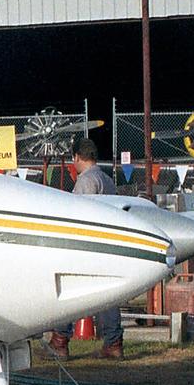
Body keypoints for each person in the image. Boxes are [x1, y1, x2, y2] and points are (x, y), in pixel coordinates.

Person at [41, 138, 123, 360]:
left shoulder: (85, 181)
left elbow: (77, 215)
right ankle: (114, 343)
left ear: (77, 157)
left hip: (87, 246)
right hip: (108, 244)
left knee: (69, 292)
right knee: (109, 296)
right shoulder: (107, 180)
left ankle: (59, 342)